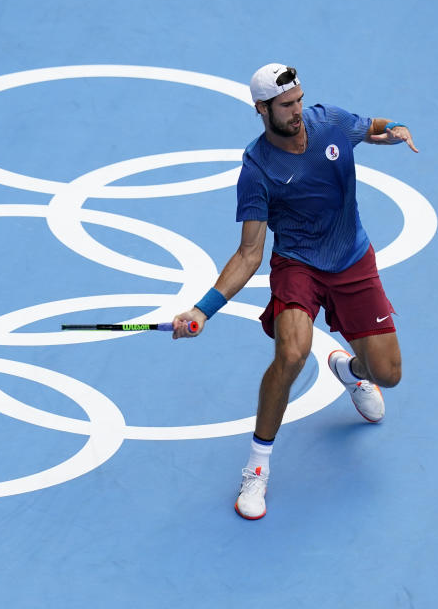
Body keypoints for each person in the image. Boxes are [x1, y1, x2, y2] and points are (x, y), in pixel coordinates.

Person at [171, 63, 418, 520]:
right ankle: (257, 470)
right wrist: (203, 310)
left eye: (300, 99)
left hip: (352, 259)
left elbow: (371, 126)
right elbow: (249, 254)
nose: (297, 111)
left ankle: (349, 370)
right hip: (298, 265)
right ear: (262, 109)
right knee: (291, 354)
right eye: (286, 105)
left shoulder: (330, 122)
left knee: (388, 374)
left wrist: (395, 129)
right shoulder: (257, 169)